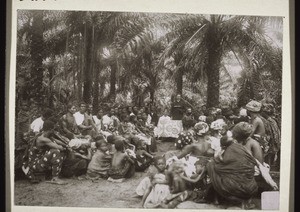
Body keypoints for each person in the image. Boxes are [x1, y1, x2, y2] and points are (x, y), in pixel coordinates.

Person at [206, 127, 258, 209]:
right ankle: (245, 202)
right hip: (251, 188)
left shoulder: (228, 151)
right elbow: (253, 163)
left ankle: (218, 199)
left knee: (210, 165)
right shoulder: (244, 148)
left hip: (234, 189)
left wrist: (214, 165)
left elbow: (221, 168)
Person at [24, 120, 67, 184]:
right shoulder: (42, 139)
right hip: (35, 165)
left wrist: (67, 145)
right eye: (53, 129)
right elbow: (58, 147)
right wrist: (65, 147)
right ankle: (55, 178)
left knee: (58, 152)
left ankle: (54, 174)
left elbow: (57, 141)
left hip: (38, 161)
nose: (54, 131)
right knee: (56, 151)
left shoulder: (43, 135)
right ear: (50, 129)